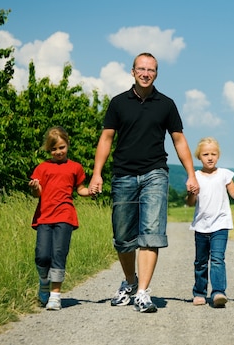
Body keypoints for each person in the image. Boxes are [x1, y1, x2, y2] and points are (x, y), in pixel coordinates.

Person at [88, 52, 199, 313]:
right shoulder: (118, 103)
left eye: (151, 70)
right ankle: (130, 282)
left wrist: (191, 174)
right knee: (123, 238)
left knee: (151, 234)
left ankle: (142, 292)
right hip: (123, 174)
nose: (146, 73)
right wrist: (96, 173)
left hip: (155, 174)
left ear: (156, 73)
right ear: (133, 71)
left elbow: (179, 140)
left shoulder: (166, 104)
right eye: (141, 69)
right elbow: (106, 139)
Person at [29, 126, 90, 311]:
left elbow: (80, 189)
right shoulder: (42, 168)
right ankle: (44, 283)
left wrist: (91, 192)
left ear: (67, 145)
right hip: (44, 217)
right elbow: (37, 193)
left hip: (65, 216)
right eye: (54, 149)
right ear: (49, 150)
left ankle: (55, 296)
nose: (58, 152)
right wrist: (34, 187)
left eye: (61, 147)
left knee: (58, 255)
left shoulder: (75, 167)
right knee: (42, 256)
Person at [185, 137, 234, 308]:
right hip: (201, 225)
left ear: (218, 156)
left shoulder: (225, 174)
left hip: (220, 224)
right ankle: (199, 293)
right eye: (206, 154)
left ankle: (218, 292)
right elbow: (190, 202)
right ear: (199, 157)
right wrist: (191, 193)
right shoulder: (195, 176)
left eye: (213, 154)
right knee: (201, 261)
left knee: (218, 259)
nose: (210, 157)